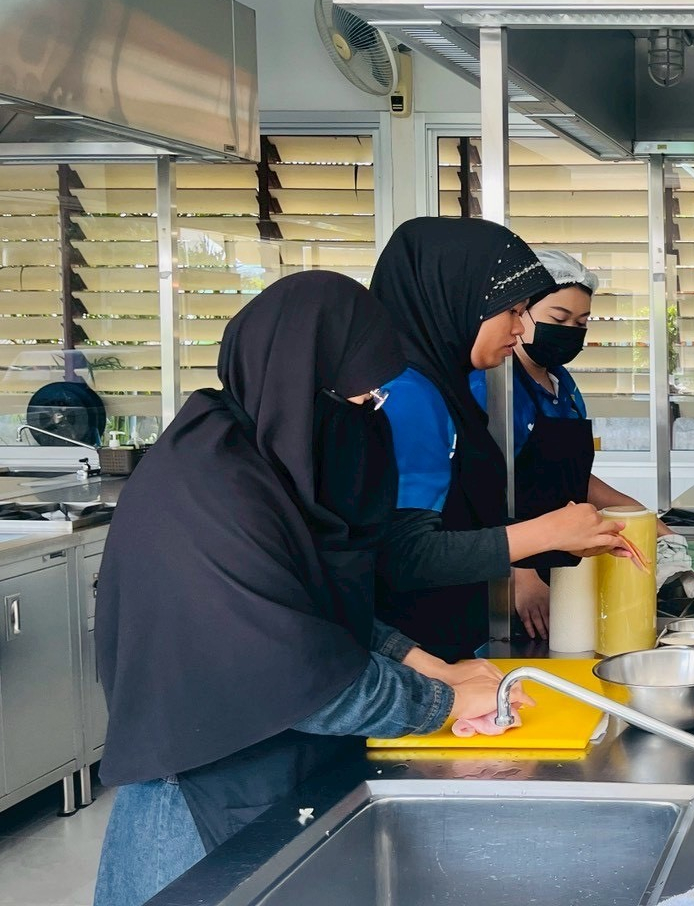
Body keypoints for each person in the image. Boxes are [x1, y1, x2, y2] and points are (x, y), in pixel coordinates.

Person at [91, 273, 530, 906]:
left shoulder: (264, 466)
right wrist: (443, 702)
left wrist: (432, 665)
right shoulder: (208, 493)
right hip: (197, 805)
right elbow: (296, 676)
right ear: (303, 380)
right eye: (360, 398)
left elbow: (315, 611)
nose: (368, 416)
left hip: (277, 777)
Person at [370, 218, 628, 660]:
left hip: (452, 633)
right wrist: (541, 538)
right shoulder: (409, 394)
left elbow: (466, 513)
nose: (519, 328)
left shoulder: (448, 388)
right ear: (457, 299)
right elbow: (405, 553)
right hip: (419, 644)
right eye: (511, 311)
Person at [469, 251, 663, 638]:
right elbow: (478, 490)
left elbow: (570, 477)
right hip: (507, 569)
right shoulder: (490, 386)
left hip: (565, 556)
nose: (570, 331)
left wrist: (645, 518)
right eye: (558, 320)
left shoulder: (563, 384)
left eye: (581, 322)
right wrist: (520, 575)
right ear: (519, 313)